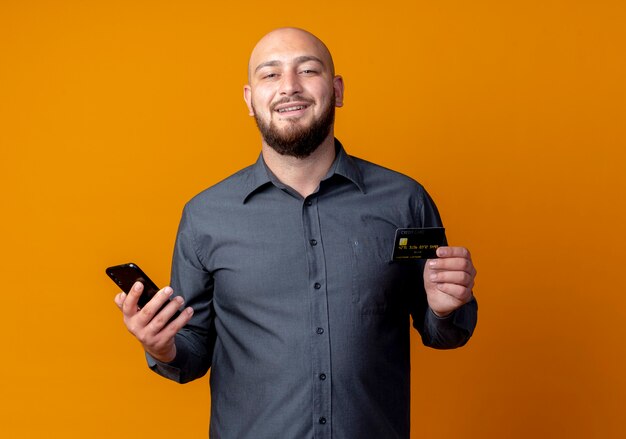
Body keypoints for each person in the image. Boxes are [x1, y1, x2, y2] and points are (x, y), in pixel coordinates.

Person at [115, 27, 478, 439]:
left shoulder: (404, 201)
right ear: (251, 100)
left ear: (337, 90)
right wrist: (162, 347)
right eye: (270, 75)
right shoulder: (205, 216)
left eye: (308, 70)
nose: (289, 87)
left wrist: (447, 309)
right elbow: (192, 351)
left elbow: (443, 332)